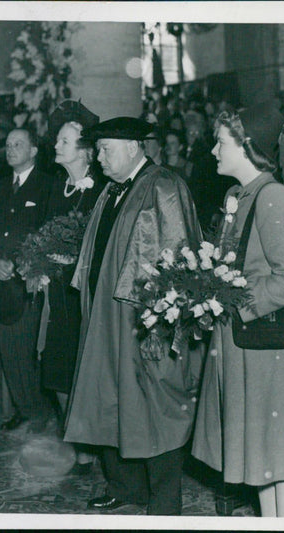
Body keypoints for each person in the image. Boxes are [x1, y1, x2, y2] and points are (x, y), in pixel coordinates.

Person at [64, 117, 202, 515]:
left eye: (105, 149)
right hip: (106, 315)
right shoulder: (112, 189)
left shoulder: (163, 186)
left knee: (152, 406)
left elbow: (178, 255)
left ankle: (163, 500)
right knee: (109, 399)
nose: (98, 157)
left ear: (133, 148)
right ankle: (125, 486)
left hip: (141, 320)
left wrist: (161, 320)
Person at [192, 102, 284, 517]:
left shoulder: (273, 197)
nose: (213, 151)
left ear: (248, 147)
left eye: (220, 142)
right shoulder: (237, 195)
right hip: (246, 345)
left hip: (270, 349)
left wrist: (232, 297)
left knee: (281, 454)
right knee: (260, 459)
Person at [42, 100, 104, 473]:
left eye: (64, 141)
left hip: (82, 294)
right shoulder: (56, 187)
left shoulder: (98, 191)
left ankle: (88, 444)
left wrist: (74, 260)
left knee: (84, 369)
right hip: (56, 290)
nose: (56, 146)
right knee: (57, 371)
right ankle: (73, 433)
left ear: (83, 149)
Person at [0, 128, 53, 431]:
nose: (11, 149)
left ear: (34, 151)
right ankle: (24, 407)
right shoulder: (0, 186)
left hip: (29, 281)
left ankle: (37, 411)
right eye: (8, 144)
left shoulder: (46, 186)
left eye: (18, 144)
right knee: (8, 351)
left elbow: (46, 232)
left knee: (27, 351)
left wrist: (20, 263)